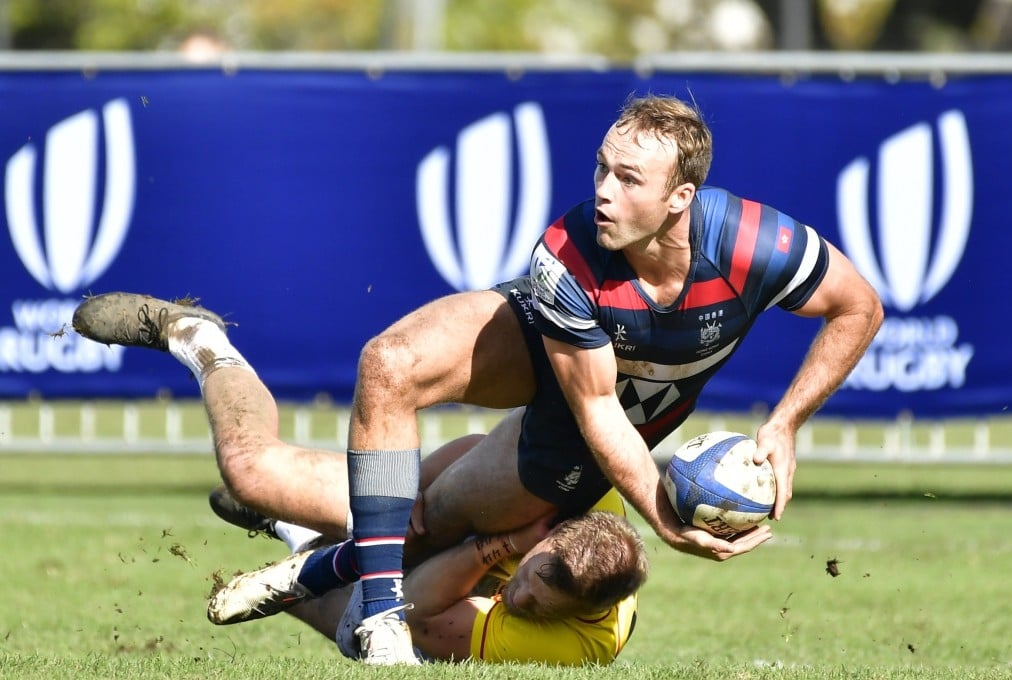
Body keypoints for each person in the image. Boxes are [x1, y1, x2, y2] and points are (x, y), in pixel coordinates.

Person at [72, 93, 883, 665]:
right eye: (601, 167)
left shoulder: (754, 245)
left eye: (629, 179)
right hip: (565, 367)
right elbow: (598, 402)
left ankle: (272, 487)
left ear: (682, 198)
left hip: (564, 445)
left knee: (274, 478)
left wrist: (784, 425)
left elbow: (858, 308)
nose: (602, 189)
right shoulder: (567, 252)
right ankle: (377, 616)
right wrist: (663, 519)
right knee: (386, 363)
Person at [203, 429, 646, 666]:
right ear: (553, 534)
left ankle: (291, 540)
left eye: (544, 605)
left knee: (381, 626)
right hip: (466, 541)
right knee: (419, 513)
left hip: (435, 610)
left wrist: (503, 545)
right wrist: (415, 495)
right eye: (530, 578)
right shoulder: (582, 492)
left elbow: (420, 612)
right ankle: (289, 515)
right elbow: (478, 452)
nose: (521, 598)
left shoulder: (574, 647)